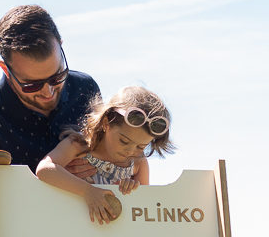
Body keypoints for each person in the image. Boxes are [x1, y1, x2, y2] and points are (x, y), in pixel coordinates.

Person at [0, 5, 101, 237]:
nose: (48, 92)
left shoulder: (85, 89)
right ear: (5, 69)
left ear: (62, 47)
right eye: (31, 85)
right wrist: (56, 181)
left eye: (57, 76)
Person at [36, 87, 174, 225]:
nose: (130, 151)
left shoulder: (138, 162)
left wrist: (132, 190)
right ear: (106, 123)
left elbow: (142, 208)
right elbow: (44, 170)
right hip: (71, 226)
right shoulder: (79, 146)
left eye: (141, 147)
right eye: (124, 141)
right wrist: (87, 191)